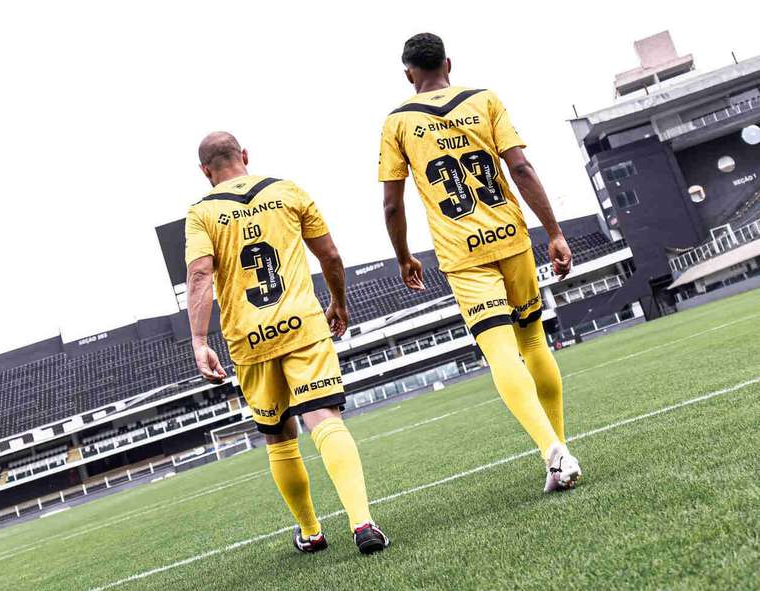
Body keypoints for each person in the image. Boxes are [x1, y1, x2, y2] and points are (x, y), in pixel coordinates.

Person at [378, 33, 581, 492]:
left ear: (409, 72)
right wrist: (554, 232)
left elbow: (392, 204)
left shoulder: (396, 123)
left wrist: (404, 255)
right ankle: (559, 449)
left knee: (500, 352)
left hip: (462, 252)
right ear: (448, 62)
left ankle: (554, 453)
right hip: (511, 237)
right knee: (533, 341)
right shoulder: (485, 100)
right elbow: (522, 169)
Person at [185, 131, 389, 553]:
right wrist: (338, 302)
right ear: (244, 155)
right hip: (302, 325)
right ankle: (362, 523)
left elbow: (201, 275)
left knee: (279, 437)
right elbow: (330, 255)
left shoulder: (201, 213)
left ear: (206, 172)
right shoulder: (288, 191)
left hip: (249, 337)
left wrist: (199, 339)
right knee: (325, 420)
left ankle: (311, 532)